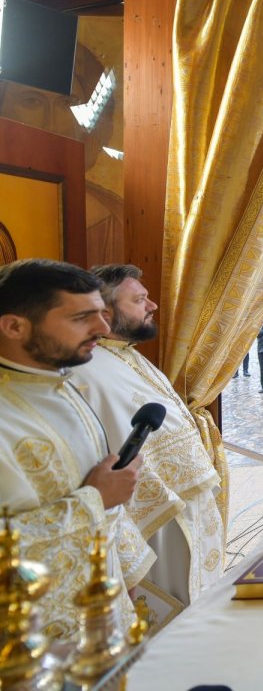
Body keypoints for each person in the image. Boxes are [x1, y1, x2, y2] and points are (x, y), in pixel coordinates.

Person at [0, 259, 153, 641]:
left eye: (101, 313)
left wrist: (126, 579)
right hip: (33, 646)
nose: (102, 327)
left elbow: (105, 497)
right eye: (82, 317)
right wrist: (94, 501)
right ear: (14, 326)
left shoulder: (63, 385)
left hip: (105, 619)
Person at [73, 263, 225, 609]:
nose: (152, 305)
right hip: (153, 518)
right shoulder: (82, 372)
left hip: (186, 504)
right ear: (105, 311)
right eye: (139, 300)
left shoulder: (127, 354)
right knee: (171, 609)